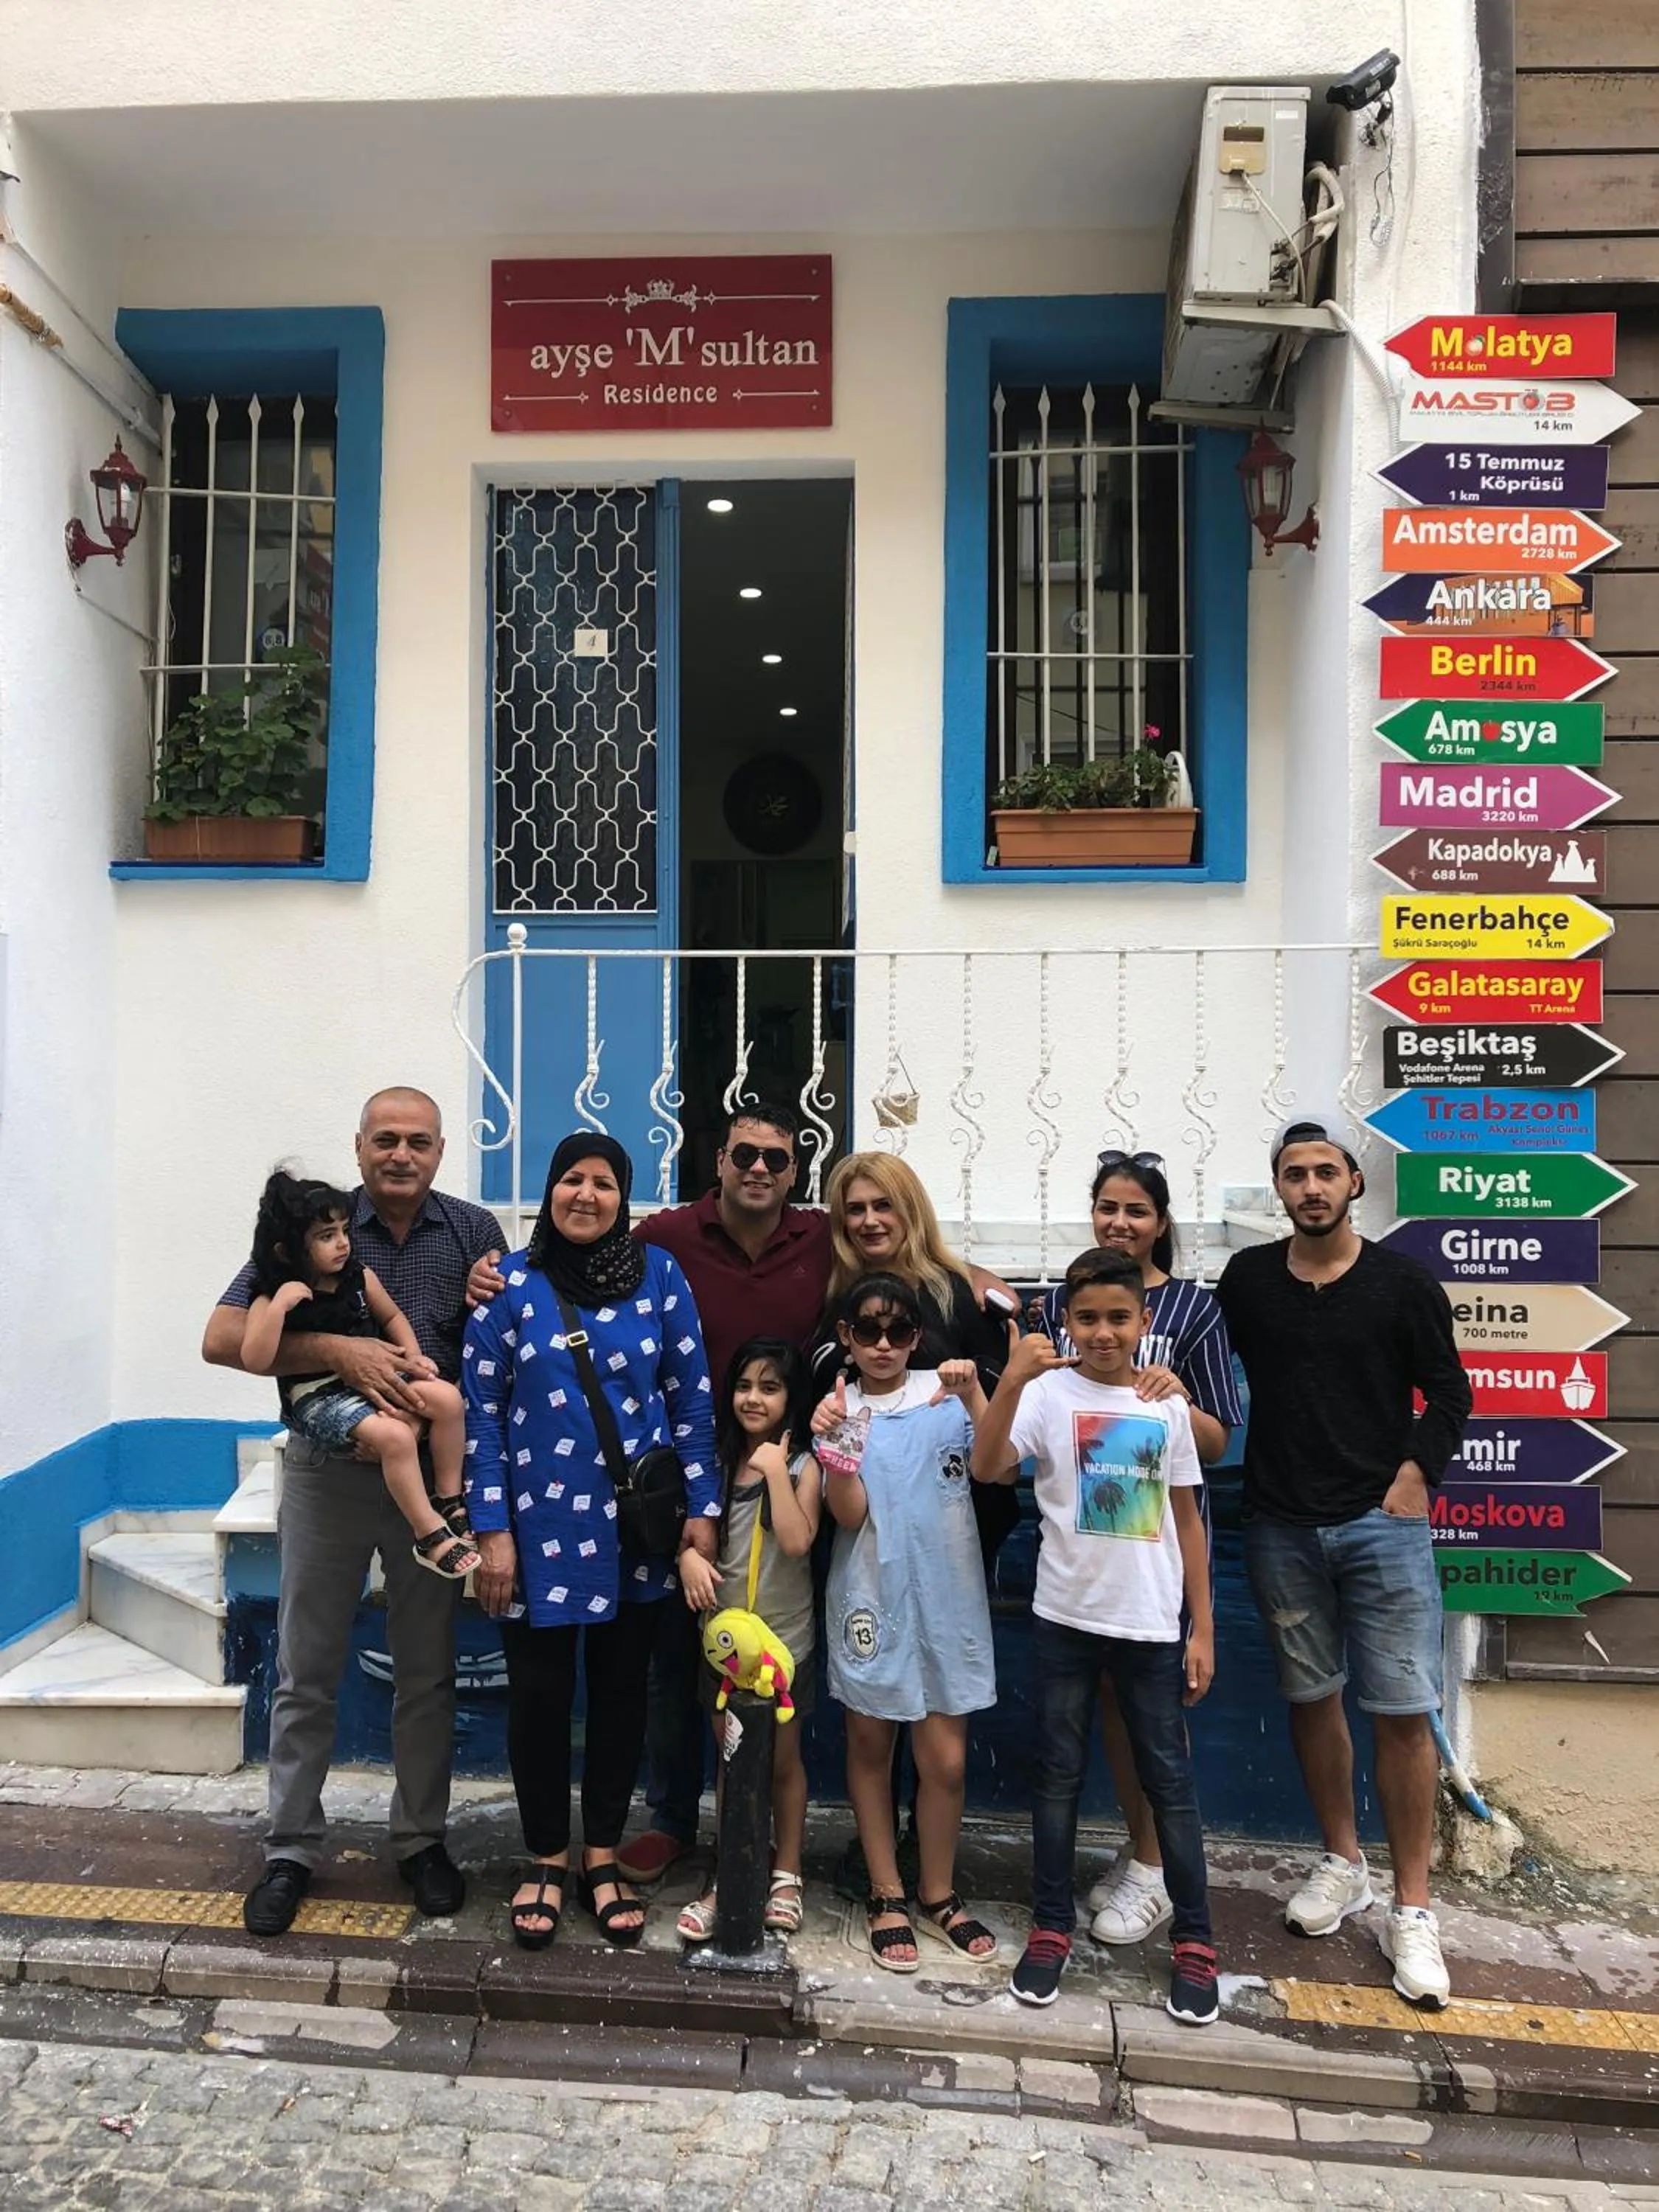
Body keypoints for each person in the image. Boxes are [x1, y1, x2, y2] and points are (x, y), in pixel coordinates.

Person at [203, 1087, 507, 1937]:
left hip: (426, 1478)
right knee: (306, 1667)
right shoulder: (314, 1224)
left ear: (441, 1151)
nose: (400, 1154)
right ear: (361, 1146)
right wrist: (336, 1347)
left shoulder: (477, 1232)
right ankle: (291, 1847)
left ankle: (419, 1841)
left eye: (417, 1141)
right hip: (327, 1470)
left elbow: (506, 1336)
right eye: (385, 1140)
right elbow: (223, 1337)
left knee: (427, 1671)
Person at [1216, 1113, 1472, 2010]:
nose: (1312, 1187)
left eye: (1327, 1172)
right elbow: (1195, 1351)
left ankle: (1413, 1908)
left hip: (1381, 1524)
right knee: (1311, 1697)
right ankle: (1342, 1861)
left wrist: (1413, 1477)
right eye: (1296, 1175)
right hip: (1281, 1522)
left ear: (1354, 1185)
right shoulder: (1247, 1281)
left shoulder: (1402, 1285)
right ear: (1278, 1190)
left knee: (1403, 1709)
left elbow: (1449, 1392)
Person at [464, 1133, 720, 1951]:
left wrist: (701, 1513)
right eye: (571, 1179)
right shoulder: (509, 1284)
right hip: (537, 1532)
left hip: (635, 1535)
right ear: (549, 1190)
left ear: (624, 1197)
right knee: (538, 1700)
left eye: (603, 1183)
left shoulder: (661, 1278)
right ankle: (545, 1856)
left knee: (620, 1700)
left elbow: (692, 1403)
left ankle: (601, 1857)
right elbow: (482, 1418)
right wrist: (492, 1531)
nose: (586, 1195)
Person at [974, 1247, 1218, 2023]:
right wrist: (1012, 1377)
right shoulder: (1046, 1396)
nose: (1104, 1333)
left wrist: (1202, 1627)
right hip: (1064, 1621)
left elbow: (1187, 1522)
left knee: (1168, 1785)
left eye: (1119, 1317)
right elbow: (986, 1468)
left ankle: (1195, 1940)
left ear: (1145, 1322)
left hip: (1149, 1625)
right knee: (1057, 1779)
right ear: (1063, 1322)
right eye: (1088, 1319)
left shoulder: (1166, 1407)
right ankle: (1050, 1928)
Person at [618, 1102, 832, 1887]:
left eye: (777, 1159)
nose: (759, 1170)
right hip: (683, 1471)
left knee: (784, 1666)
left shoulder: (821, 1237)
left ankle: (773, 1853)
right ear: (718, 1160)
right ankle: (675, 1821)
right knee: (680, 1662)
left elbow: (901, 1253)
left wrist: (976, 1273)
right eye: (745, 1153)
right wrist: (496, 1273)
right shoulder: (669, 1235)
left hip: (787, 1478)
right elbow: (587, 1258)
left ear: (796, 1172)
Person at [1032, 1148, 1239, 1945]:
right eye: (1108, 1208)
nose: (1121, 1222)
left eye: (1137, 1211)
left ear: (1161, 1224)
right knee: (1107, 1721)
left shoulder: (1191, 1312)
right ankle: (1143, 1855)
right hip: (1082, 1560)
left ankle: (1157, 1874)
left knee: (1156, 1727)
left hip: (1156, 1552)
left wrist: (1178, 1398)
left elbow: (1215, 1444)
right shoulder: (1069, 1302)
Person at [816, 1152, 1020, 1895]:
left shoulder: (964, 1294)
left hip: (956, 1528)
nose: (869, 1220)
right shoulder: (832, 1294)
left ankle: (922, 1864)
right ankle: (885, 1876)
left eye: (884, 1206)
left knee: (940, 1732)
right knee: (876, 1715)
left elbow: (1000, 1438)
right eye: (855, 1209)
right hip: (864, 1524)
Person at [815, 1271, 999, 1973]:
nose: (884, 1345)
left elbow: (997, 1470)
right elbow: (849, 1517)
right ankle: (887, 1891)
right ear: (846, 1339)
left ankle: (939, 1891)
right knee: (870, 1745)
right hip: (871, 1592)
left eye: (898, 1331)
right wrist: (832, 1448)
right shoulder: (840, 1409)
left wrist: (979, 1390)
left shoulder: (947, 1397)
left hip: (948, 1594)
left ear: (918, 1336)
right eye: (868, 1331)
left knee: (945, 1759)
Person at [239, 1170, 479, 1581]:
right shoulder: (271, 1292)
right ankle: (429, 1535)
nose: (343, 1243)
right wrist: (277, 1309)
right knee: (397, 1437)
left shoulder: (358, 1276)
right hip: (319, 1396)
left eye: (344, 1231)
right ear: (287, 1250)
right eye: (326, 1235)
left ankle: (449, 1497)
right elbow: (256, 1358)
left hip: (377, 1380)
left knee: (447, 1401)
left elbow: (392, 1315)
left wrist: (414, 1359)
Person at [675, 1336, 822, 1943]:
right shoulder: (711, 1459)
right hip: (724, 1647)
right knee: (733, 1761)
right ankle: (732, 1872)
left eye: (770, 1387)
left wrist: (773, 1473)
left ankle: (785, 1872)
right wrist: (686, 1558)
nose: (754, 1398)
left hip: (785, 1645)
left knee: (782, 1761)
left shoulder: (803, 1465)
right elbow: (691, 1535)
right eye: (744, 1386)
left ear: (792, 1398)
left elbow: (796, 1541)